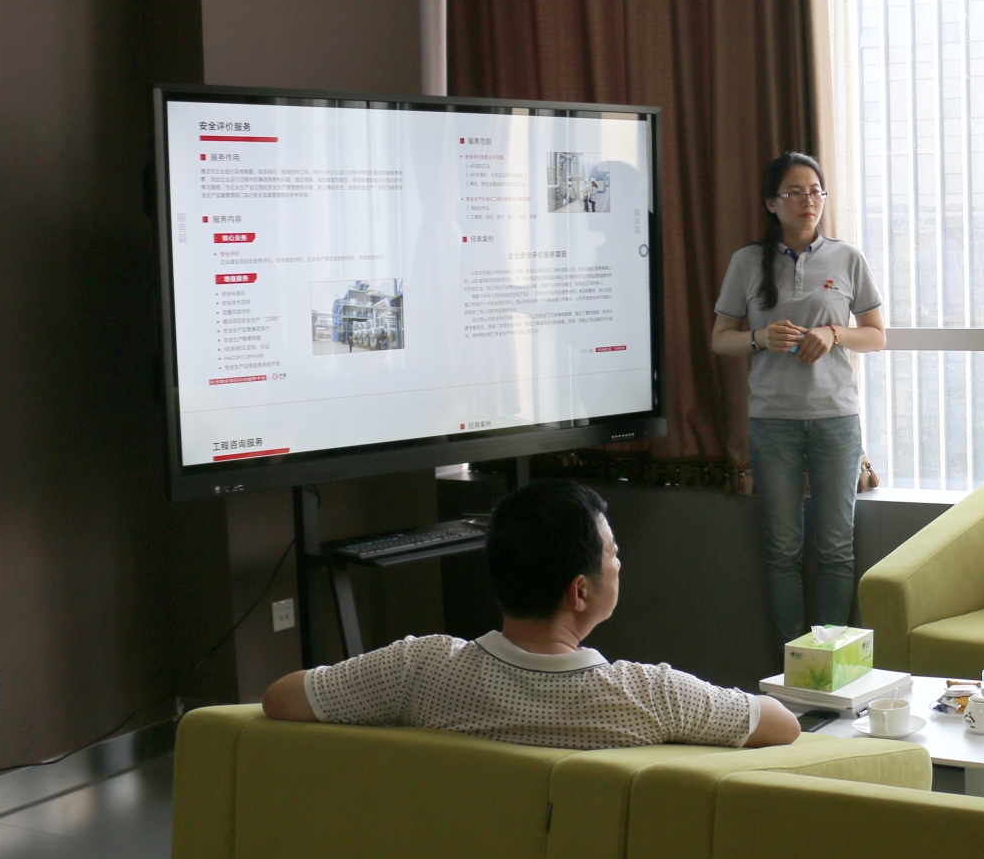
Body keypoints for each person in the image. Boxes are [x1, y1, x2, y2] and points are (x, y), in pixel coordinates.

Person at [261, 480, 802, 750]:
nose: (619, 562)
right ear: (580, 592)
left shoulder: (419, 669)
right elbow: (782, 725)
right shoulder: (651, 696)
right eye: (612, 554)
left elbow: (280, 698)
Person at [710, 152, 887, 645]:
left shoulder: (847, 258)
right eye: (794, 192)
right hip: (773, 423)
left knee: (835, 548)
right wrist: (760, 338)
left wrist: (834, 333)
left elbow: (876, 335)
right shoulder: (747, 262)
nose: (808, 201)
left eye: (815, 191)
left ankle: (829, 662)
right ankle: (791, 665)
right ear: (772, 203)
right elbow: (720, 339)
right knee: (782, 550)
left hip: (836, 418)